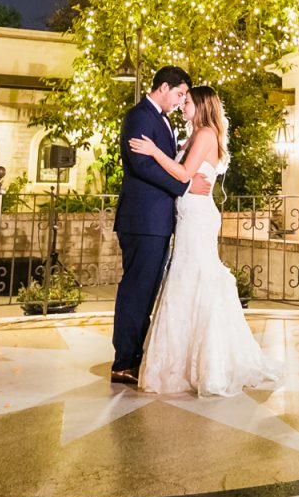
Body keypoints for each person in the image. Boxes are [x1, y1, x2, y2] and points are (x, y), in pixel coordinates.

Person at [129, 85, 282, 396]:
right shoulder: (195, 135)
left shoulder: (206, 134)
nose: (183, 105)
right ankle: (183, 362)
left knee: (196, 277)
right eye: (182, 99)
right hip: (188, 215)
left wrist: (154, 151)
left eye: (187, 101)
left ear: (201, 105)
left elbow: (184, 174)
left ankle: (211, 363)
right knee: (186, 278)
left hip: (197, 217)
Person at [109, 67, 211, 386]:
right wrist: (185, 186)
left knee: (147, 290)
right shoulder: (139, 116)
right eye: (179, 94)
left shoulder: (162, 120)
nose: (181, 101)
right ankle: (124, 361)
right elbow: (142, 165)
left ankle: (135, 356)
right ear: (163, 87)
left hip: (157, 220)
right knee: (137, 290)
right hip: (142, 219)